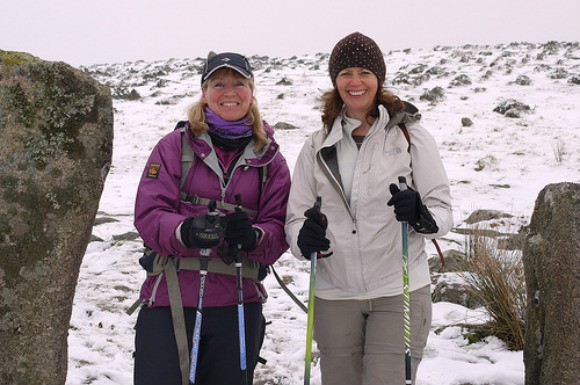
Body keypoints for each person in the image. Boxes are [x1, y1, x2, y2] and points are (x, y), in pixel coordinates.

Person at [285, 32, 453, 385]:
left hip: (398, 288)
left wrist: (421, 214)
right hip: (334, 294)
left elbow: (441, 210)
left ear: (379, 79)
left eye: (364, 72)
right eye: (346, 73)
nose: (355, 81)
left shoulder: (409, 135)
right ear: (335, 81)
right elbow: (296, 216)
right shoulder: (316, 144)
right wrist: (305, 238)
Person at [132, 51, 291, 385]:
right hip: (169, 300)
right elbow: (148, 214)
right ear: (204, 92)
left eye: (239, 83)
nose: (229, 92)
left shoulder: (272, 160)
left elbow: (279, 227)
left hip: (238, 303)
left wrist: (252, 237)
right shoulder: (173, 147)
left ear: (252, 92)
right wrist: (186, 230)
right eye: (218, 83)